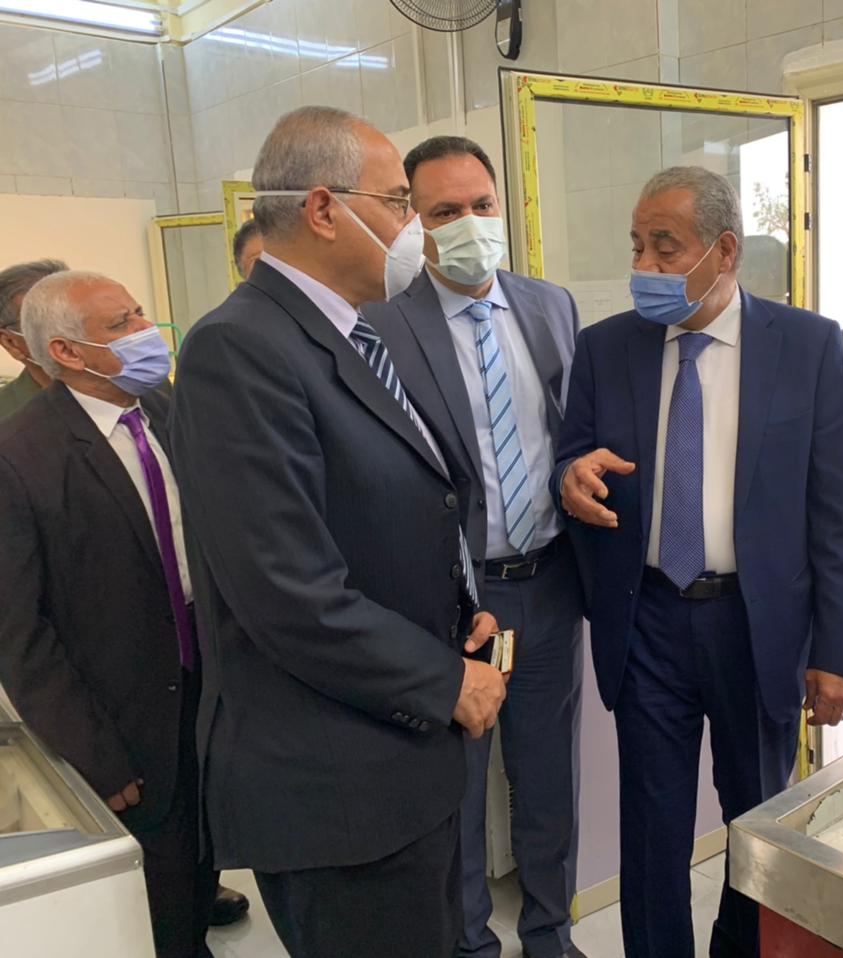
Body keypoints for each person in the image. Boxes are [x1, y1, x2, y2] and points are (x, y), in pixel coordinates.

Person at [168, 106, 507, 958]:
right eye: (398, 203)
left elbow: (398, 502)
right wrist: (445, 682)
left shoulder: (356, 331)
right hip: (338, 791)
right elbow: (287, 589)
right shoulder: (238, 350)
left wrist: (459, 607)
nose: (415, 230)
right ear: (324, 209)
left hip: (405, 762)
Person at [554, 166, 843, 958]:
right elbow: (571, 458)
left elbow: (839, 512)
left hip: (757, 626)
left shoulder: (806, 346)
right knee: (651, 830)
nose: (646, 265)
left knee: (758, 824)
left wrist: (838, 653)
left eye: (666, 247)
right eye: (637, 245)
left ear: (724, 250)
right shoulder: (606, 348)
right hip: (648, 621)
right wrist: (571, 477)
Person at [363, 136, 586, 958]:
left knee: (549, 779)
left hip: (549, 583)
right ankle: (467, 945)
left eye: (481, 205)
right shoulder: (381, 328)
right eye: (444, 211)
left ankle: (551, 933)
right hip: (454, 599)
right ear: (414, 224)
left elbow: (567, 431)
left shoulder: (550, 305)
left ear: (503, 205)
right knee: (456, 786)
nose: (469, 224)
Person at [0, 271, 217, 958]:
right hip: (126, 723)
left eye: (140, 313)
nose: (146, 332)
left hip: (212, 692)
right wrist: (92, 751)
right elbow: (19, 633)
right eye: (122, 324)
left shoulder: (164, 407)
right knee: (162, 901)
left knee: (205, 866)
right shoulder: (20, 456)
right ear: (66, 352)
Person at [0, 259, 65, 420]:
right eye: (53, 320)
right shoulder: (8, 420)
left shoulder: (124, 388)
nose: (76, 329)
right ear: (11, 343)